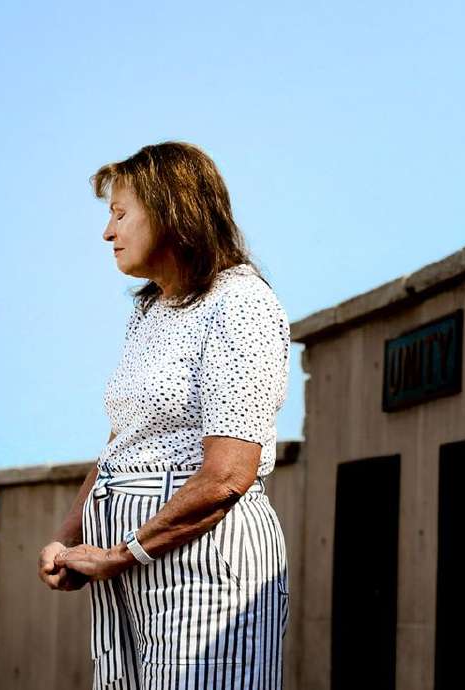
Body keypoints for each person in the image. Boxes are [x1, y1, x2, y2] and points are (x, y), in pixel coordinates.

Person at [35, 142, 291, 689]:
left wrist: (125, 553)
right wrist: (70, 536)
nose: (108, 232)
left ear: (173, 212)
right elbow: (120, 446)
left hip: (203, 571)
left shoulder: (240, 304)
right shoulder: (150, 311)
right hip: (126, 569)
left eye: (120, 213)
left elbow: (228, 475)